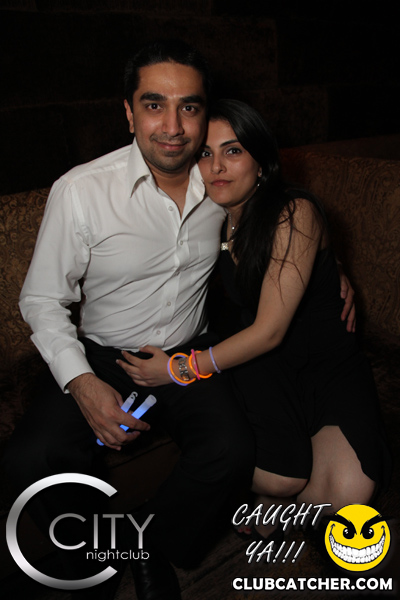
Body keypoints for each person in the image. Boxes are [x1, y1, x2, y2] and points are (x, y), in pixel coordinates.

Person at [3, 43, 257, 600]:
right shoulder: (82, 191)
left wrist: (326, 267)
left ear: (205, 114)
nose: (173, 126)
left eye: (189, 107)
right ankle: (125, 549)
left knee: (232, 451)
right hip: (104, 355)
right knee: (30, 459)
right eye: (154, 105)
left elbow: (281, 217)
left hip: (187, 353)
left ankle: (153, 545)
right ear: (128, 112)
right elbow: (41, 300)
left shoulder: (222, 181)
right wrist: (82, 382)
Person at [121, 99, 391, 542]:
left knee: (342, 503)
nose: (216, 167)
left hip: (325, 365)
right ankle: (249, 482)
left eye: (233, 151)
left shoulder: (292, 211)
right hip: (263, 365)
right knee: (283, 479)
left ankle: (248, 494)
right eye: (205, 153)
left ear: (261, 162)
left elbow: (270, 329)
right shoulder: (209, 216)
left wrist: (177, 370)